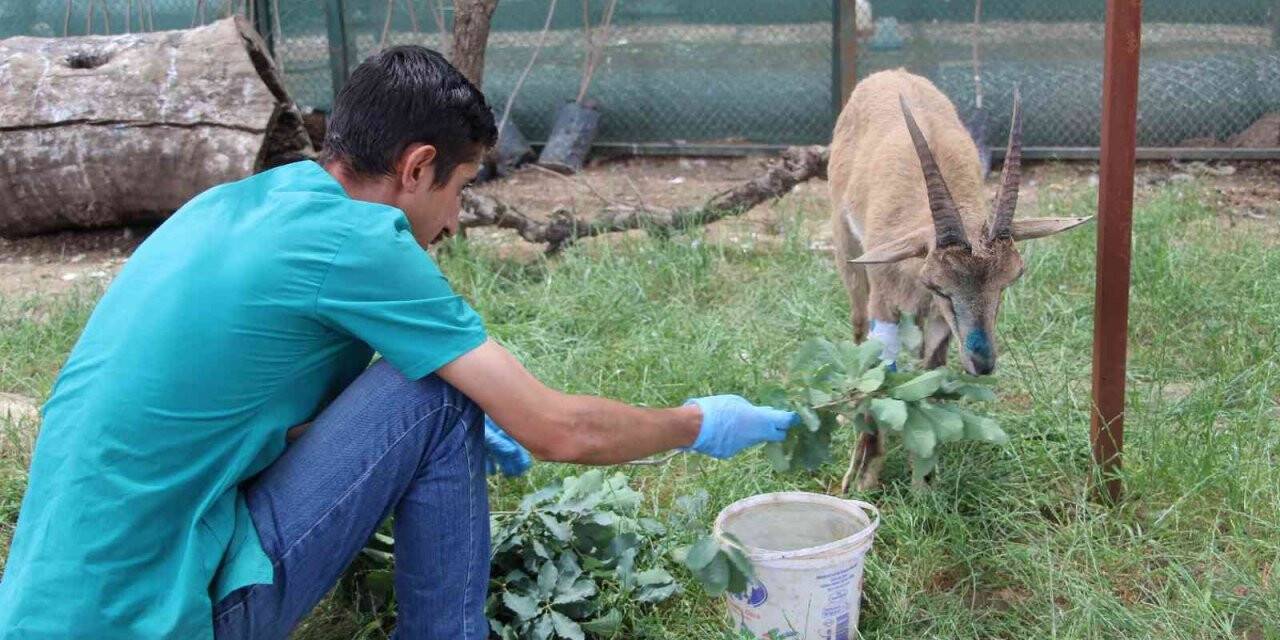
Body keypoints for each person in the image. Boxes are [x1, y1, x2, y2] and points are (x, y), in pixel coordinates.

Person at [0, 46, 797, 639]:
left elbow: (247, 424)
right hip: (161, 616)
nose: (453, 221)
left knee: (429, 400)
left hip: (51, 604)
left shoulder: (235, 205)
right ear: (417, 168)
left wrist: (398, 447)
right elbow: (562, 430)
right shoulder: (361, 241)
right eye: (459, 188)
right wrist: (698, 422)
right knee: (440, 389)